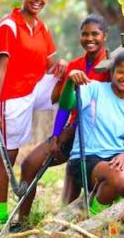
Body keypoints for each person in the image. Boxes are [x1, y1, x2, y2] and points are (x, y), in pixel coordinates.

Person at [16, 14, 111, 225]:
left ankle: (69, 222)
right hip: (70, 131)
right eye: (85, 34)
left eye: (95, 33)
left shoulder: (111, 66)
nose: (89, 38)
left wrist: (73, 129)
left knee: (75, 173)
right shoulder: (75, 65)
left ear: (105, 36)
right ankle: (22, 221)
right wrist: (57, 135)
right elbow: (63, 105)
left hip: (98, 134)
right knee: (30, 164)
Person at [0, 0, 67, 228]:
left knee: (71, 78)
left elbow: (50, 63)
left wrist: (63, 64)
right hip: (12, 96)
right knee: (8, 157)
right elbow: (0, 71)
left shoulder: (42, 27)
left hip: (35, 88)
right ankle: (1, 216)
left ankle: (65, 132)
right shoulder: (9, 25)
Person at [64, 52, 124, 217]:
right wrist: (70, 82)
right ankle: (95, 216)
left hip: (114, 158)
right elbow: (67, 104)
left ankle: (116, 214)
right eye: (121, 72)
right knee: (120, 177)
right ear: (112, 72)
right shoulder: (94, 89)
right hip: (86, 158)